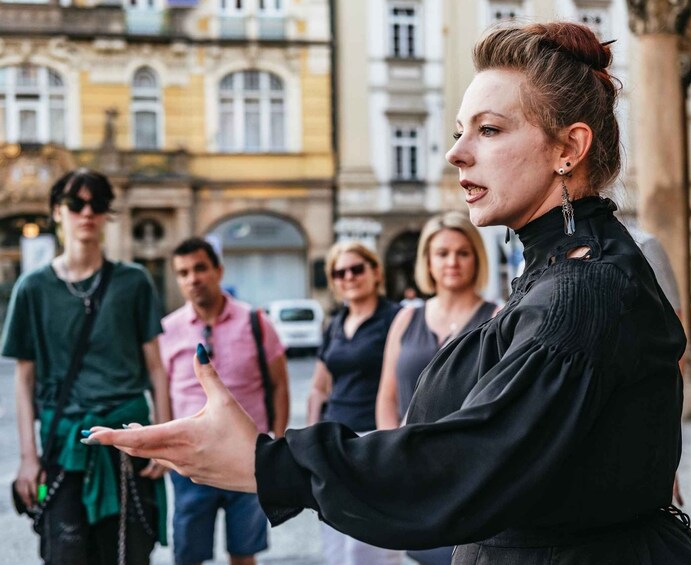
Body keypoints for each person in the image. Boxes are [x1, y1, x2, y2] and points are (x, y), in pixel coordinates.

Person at [88, 21, 691, 564]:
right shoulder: (559, 267)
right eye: (458, 130)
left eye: (490, 131)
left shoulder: (585, 290)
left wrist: (269, 464)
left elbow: (471, 462)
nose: (455, 153)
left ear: (569, 147)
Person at [4, 168, 169, 565]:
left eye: (97, 205)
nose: (87, 213)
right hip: (64, 445)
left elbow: (156, 368)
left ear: (108, 214)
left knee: (130, 556)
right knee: (65, 555)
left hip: (130, 440)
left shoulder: (135, 281)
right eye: (76, 204)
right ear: (57, 212)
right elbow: (24, 379)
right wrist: (28, 457)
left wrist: (163, 441)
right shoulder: (32, 288)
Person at [158, 237, 290, 565]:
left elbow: (279, 384)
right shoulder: (168, 329)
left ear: (218, 270)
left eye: (200, 268)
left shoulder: (255, 322)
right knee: (188, 554)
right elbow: (162, 390)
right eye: (183, 272)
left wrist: (278, 441)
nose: (193, 279)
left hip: (248, 459)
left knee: (244, 553)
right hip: (190, 462)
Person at [375, 211, 497, 565]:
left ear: (477, 258)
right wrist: (391, 452)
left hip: (469, 478)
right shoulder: (405, 318)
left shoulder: (497, 318)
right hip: (412, 471)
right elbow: (387, 395)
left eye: (463, 252)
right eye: (442, 253)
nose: (452, 262)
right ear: (427, 261)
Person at [304, 241, 402, 565]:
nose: (349, 277)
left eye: (357, 268)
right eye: (340, 272)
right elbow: (319, 387)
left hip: (374, 438)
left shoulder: (396, 319)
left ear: (376, 272)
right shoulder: (334, 323)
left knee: (372, 544)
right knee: (335, 540)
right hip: (334, 442)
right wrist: (310, 439)